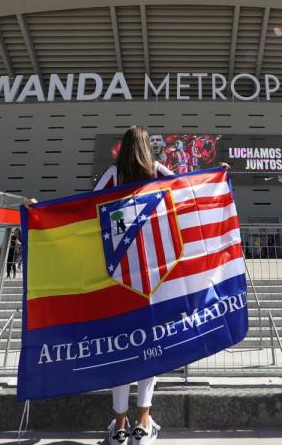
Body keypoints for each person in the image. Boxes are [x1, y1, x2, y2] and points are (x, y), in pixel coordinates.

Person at [92, 126, 176, 445]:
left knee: (121, 348)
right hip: (152, 274)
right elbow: (188, 188)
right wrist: (219, 175)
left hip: (117, 275)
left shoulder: (112, 174)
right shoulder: (157, 170)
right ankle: (143, 422)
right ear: (146, 147)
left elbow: (86, 205)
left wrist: (39, 212)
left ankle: (120, 424)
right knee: (148, 346)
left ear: (123, 148)